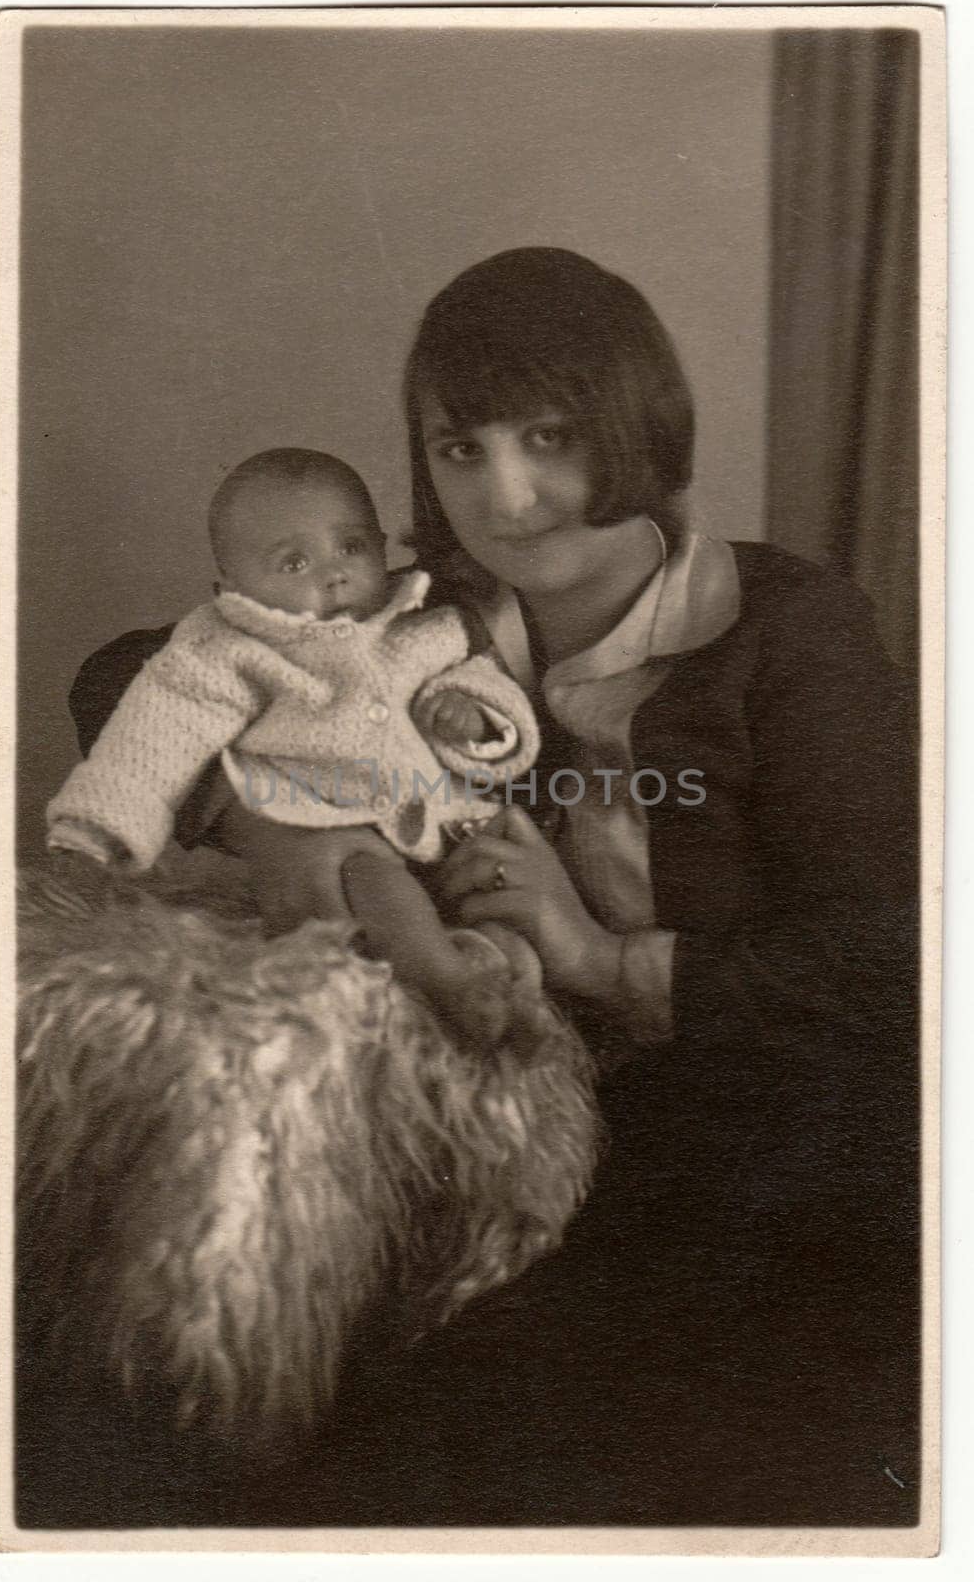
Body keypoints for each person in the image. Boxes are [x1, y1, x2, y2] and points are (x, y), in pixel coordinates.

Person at [59, 247, 920, 1525]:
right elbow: (127, 675)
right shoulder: (417, 613)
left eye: (552, 437)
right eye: (460, 449)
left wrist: (594, 957)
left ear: (637, 427)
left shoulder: (789, 627)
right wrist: (282, 823)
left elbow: (883, 956)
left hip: (736, 1121)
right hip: (488, 1087)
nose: (506, 497)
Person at [47, 445, 543, 1044]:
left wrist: (480, 719)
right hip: (336, 831)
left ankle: (503, 970)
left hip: (451, 823)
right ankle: (444, 984)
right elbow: (152, 738)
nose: (333, 573)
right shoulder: (227, 652)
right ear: (229, 588)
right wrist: (93, 832)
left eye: (353, 547)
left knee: (505, 887)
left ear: (383, 545)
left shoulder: (424, 622)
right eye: (293, 564)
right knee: (372, 880)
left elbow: (480, 679)